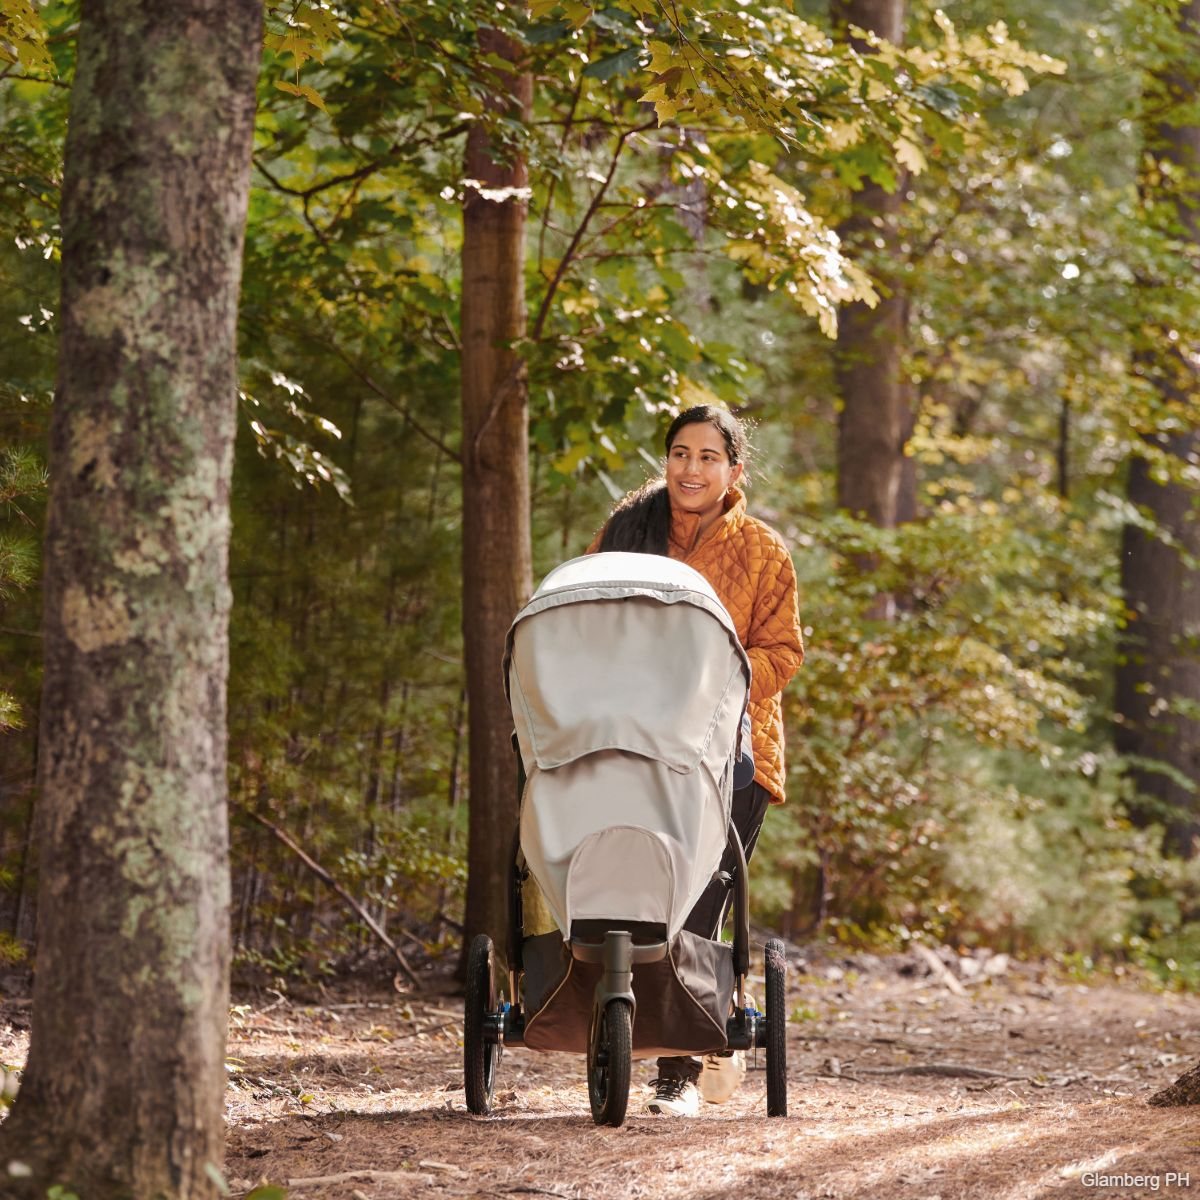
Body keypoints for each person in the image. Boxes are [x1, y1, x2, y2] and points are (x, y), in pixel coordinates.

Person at [587, 404, 804, 1116]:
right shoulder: (627, 533)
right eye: (681, 453)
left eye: (709, 457)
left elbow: (783, 651)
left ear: (735, 470)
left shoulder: (765, 550)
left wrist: (719, 691)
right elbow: (586, 618)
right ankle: (621, 1026)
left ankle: (675, 1075)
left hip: (733, 752)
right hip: (637, 741)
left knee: (701, 903)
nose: (691, 469)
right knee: (639, 895)